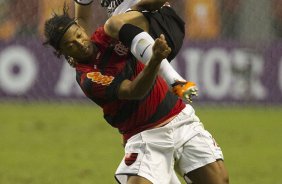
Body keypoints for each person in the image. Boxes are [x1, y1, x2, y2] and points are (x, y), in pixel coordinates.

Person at [44, 1, 229, 184]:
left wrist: (143, 7)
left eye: (78, 35)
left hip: (180, 119)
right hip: (145, 137)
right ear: (63, 52)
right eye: (70, 45)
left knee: (219, 181)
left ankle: (175, 79)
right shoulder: (89, 78)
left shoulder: (106, 34)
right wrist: (155, 59)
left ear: (82, 28)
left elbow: (124, 20)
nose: (80, 43)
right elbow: (134, 91)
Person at [99, 0, 198, 102]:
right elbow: (81, 18)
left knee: (111, 24)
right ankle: (176, 90)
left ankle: (174, 80)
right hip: (133, 40)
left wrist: (139, 6)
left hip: (157, 18)